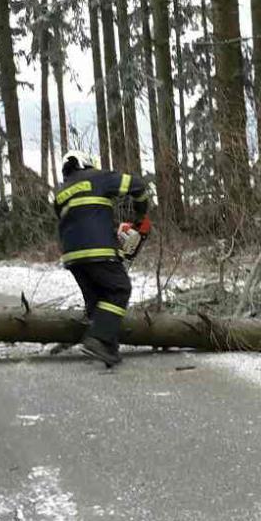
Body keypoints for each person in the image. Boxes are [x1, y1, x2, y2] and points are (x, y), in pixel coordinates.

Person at [54, 151, 153, 367]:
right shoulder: (97, 177)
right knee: (119, 290)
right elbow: (136, 185)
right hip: (98, 250)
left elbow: (84, 218)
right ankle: (97, 339)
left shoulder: (61, 192)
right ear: (86, 163)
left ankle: (108, 349)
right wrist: (140, 212)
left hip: (72, 256)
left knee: (97, 301)